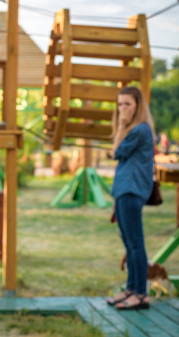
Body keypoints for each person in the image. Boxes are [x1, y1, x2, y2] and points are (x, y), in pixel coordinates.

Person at [106, 86, 155, 310]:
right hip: (123, 192)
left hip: (131, 192)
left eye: (127, 104)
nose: (122, 109)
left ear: (138, 106)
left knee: (136, 245)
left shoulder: (140, 130)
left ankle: (141, 294)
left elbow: (116, 151)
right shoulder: (134, 130)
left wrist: (121, 125)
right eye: (119, 104)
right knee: (129, 244)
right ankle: (131, 289)